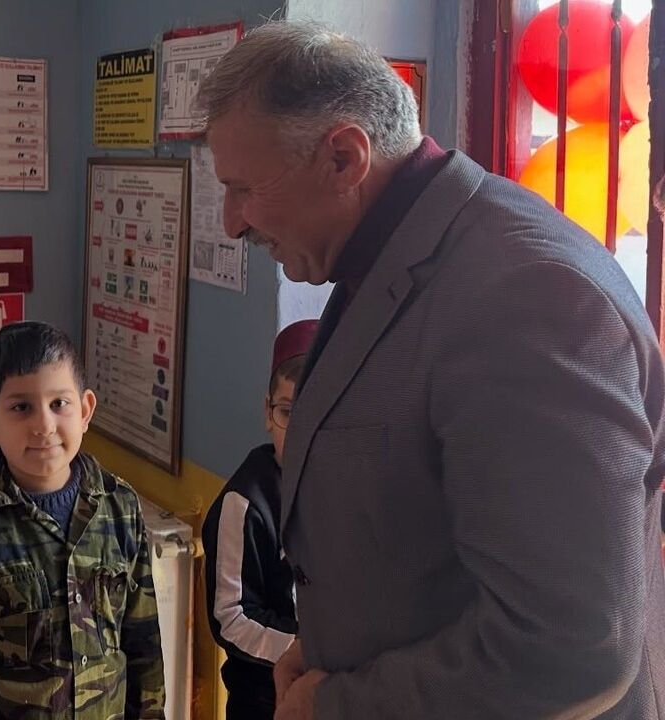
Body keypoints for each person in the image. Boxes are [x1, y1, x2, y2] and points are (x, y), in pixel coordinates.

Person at [196, 21, 665, 719]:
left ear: (344, 158)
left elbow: (567, 648)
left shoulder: (529, 297)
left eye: (243, 188)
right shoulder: (390, 260)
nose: (232, 222)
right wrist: (321, 643)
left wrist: (340, 704)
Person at [0, 321, 165, 718]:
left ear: (86, 410)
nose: (44, 425)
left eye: (59, 404)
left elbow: (143, 645)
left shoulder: (120, 507)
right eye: (21, 407)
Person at [203, 319, 316, 720]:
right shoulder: (244, 503)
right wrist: (307, 653)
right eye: (288, 411)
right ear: (268, 412)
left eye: (316, 412)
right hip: (262, 699)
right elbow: (231, 617)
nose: (302, 429)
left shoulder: (348, 491)